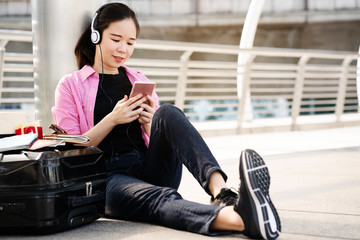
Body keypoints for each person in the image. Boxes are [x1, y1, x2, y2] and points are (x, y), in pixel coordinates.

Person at [52, 3, 281, 239]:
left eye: (130, 43)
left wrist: (149, 122)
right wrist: (112, 119)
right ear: (96, 35)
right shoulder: (71, 85)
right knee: (160, 199)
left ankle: (221, 192)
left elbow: (160, 136)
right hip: (109, 178)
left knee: (168, 112)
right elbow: (71, 146)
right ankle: (240, 220)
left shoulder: (137, 79)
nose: (123, 49)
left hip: (150, 166)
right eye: (116, 39)